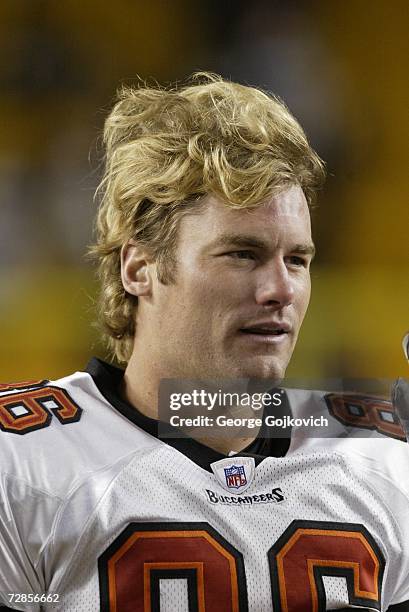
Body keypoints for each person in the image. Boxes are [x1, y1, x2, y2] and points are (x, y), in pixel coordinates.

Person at [0, 74, 408, 611]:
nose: (281, 289)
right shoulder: (21, 462)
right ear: (140, 267)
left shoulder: (387, 459)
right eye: (242, 254)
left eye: (298, 260)